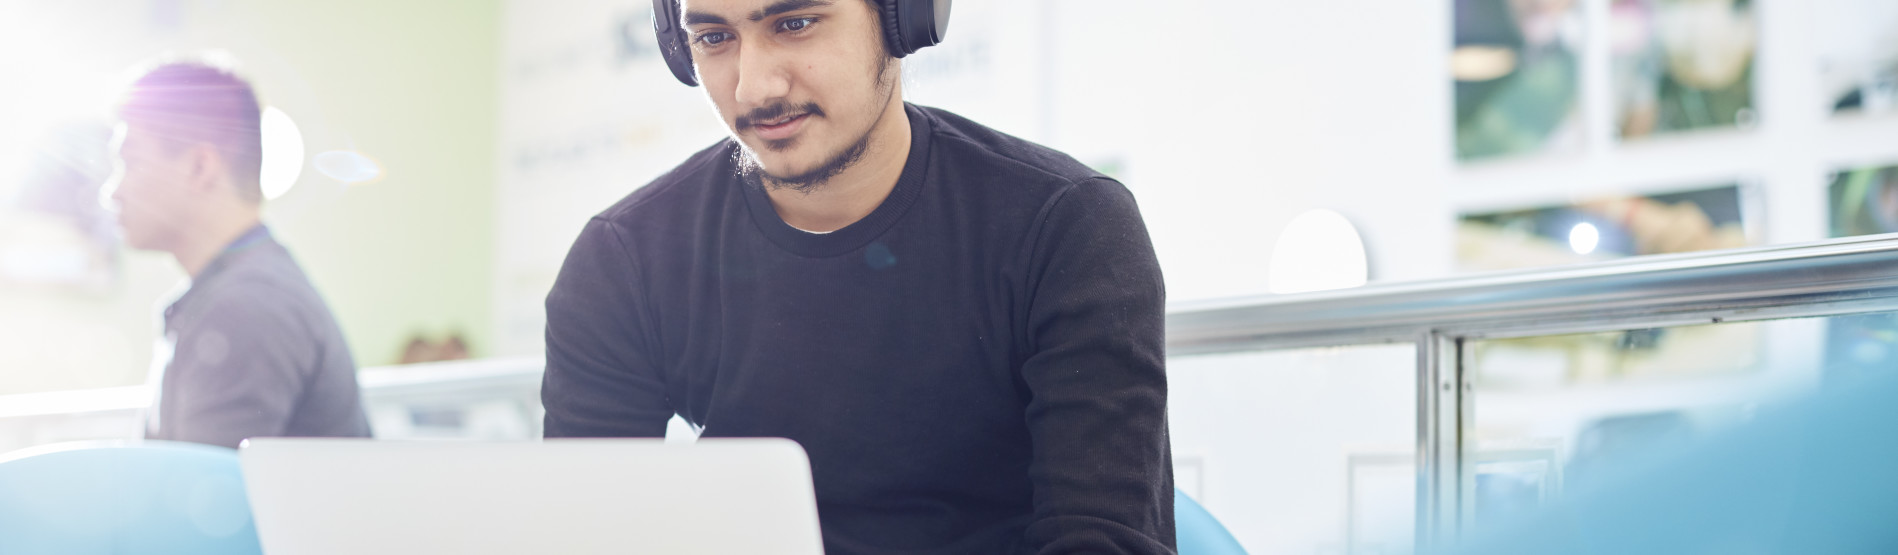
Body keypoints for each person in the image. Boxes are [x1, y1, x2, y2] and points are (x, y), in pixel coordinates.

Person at [540, 0, 1174, 553]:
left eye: (794, 23)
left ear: (901, 16)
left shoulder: (1064, 227)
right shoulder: (624, 261)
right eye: (713, 38)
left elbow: (1102, 539)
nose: (754, 86)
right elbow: (587, 536)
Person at [108, 61, 370, 449]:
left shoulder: (245, 308)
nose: (113, 191)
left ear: (200, 167)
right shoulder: (237, 293)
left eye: (131, 163)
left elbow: (199, 505)